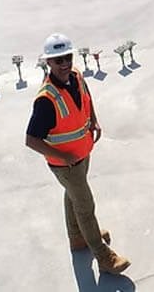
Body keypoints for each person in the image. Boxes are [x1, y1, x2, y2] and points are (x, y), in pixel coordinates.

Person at [25, 33, 130, 274]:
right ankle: (104, 258)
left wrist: (94, 120)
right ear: (48, 63)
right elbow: (31, 140)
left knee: (73, 195)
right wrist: (64, 158)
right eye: (58, 60)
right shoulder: (46, 99)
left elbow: (86, 97)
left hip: (82, 154)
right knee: (85, 205)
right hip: (66, 164)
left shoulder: (76, 76)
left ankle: (77, 238)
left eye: (67, 58)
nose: (64, 64)